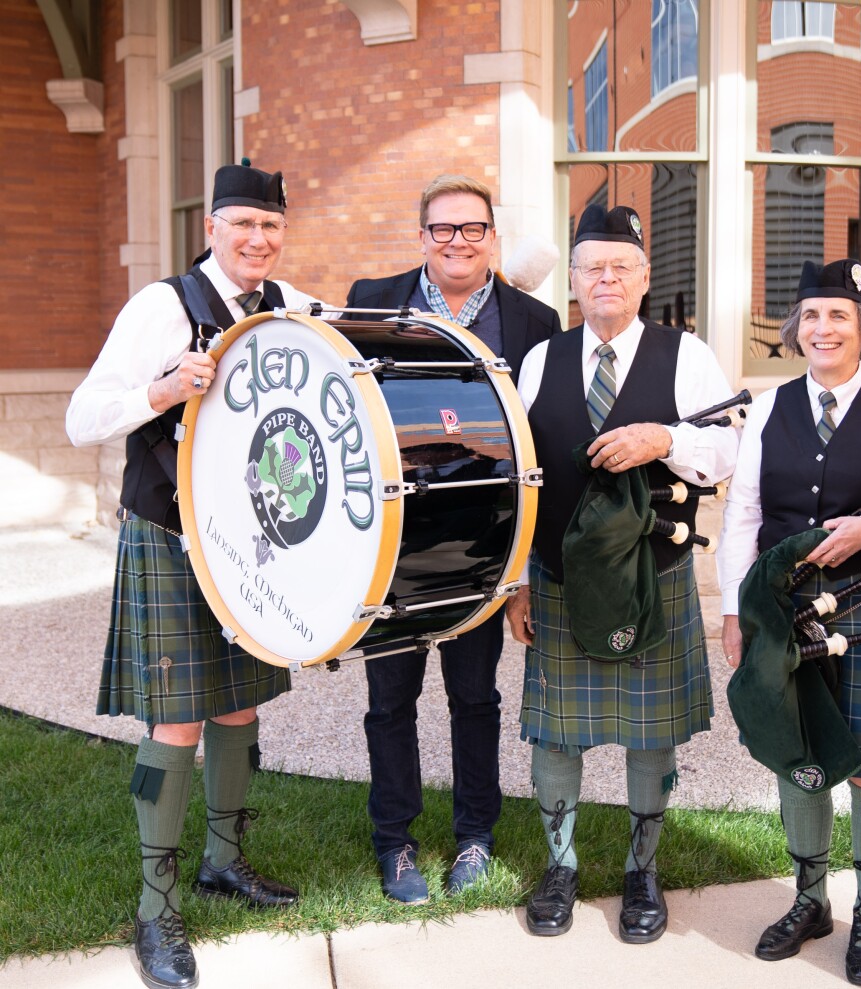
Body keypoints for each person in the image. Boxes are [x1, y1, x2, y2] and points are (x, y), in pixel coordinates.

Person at [66, 162, 323, 989]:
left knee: (241, 703)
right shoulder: (163, 306)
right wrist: (166, 384)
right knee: (175, 721)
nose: (258, 240)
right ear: (211, 227)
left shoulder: (287, 305)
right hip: (170, 535)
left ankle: (225, 860)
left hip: (249, 545)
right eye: (243, 224)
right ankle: (155, 907)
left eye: (271, 228)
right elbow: (82, 417)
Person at [505, 203, 738, 943]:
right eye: (591, 268)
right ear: (572, 281)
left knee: (650, 734)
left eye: (620, 267)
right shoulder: (543, 357)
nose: (605, 279)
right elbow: (521, 474)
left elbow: (732, 451)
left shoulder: (687, 355)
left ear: (644, 277)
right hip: (558, 575)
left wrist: (663, 437)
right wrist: (514, 580)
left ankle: (643, 868)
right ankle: (561, 865)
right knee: (557, 736)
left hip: (653, 573)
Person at [717, 258, 861, 986]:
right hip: (781, 608)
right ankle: (810, 901)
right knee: (799, 755)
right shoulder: (770, 408)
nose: (822, 328)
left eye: (838, 315)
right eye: (810, 316)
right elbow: (744, 514)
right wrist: (734, 609)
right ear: (795, 329)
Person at [345, 174, 561, 902]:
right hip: (390, 546)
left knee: (475, 696)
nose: (457, 242)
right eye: (443, 229)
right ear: (422, 236)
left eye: (472, 229)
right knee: (389, 701)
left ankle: (475, 835)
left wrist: (523, 570)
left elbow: (540, 453)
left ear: (493, 237)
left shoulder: (534, 322)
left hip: (484, 545)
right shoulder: (372, 299)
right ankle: (395, 843)